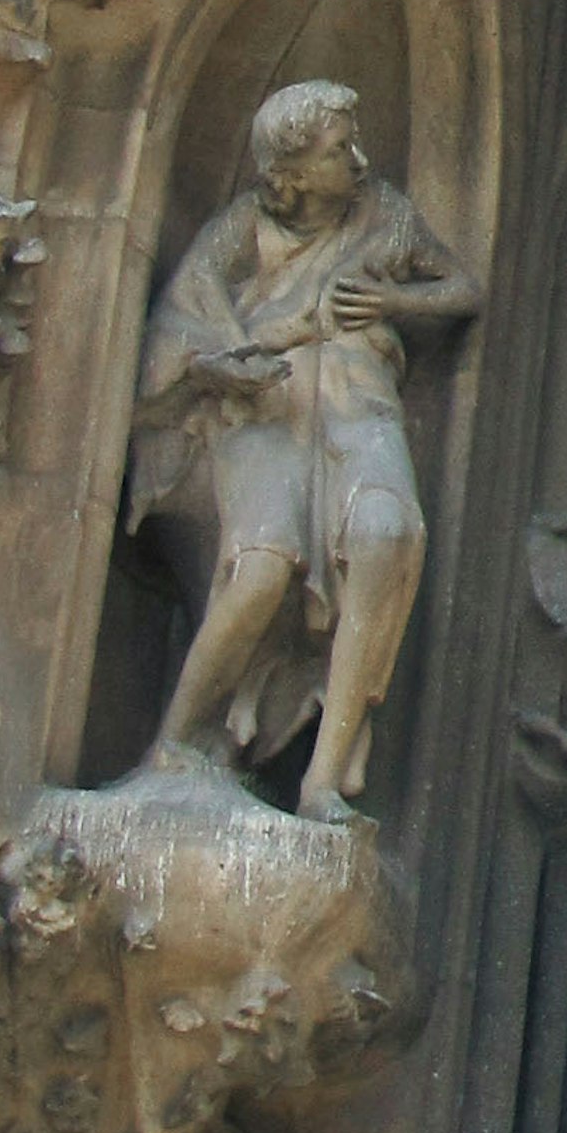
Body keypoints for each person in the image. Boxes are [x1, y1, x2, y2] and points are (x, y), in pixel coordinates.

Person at [127, 78, 479, 810]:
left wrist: (392, 302)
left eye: (353, 141)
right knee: (260, 570)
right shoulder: (244, 226)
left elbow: (462, 289)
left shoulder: (385, 212)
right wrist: (222, 360)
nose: (358, 157)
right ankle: (176, 740)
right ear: (290, 172)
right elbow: (181, 320)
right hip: (268, 410)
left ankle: (325, 776)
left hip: (359, 403)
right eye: (336, 149)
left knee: (386, 534)